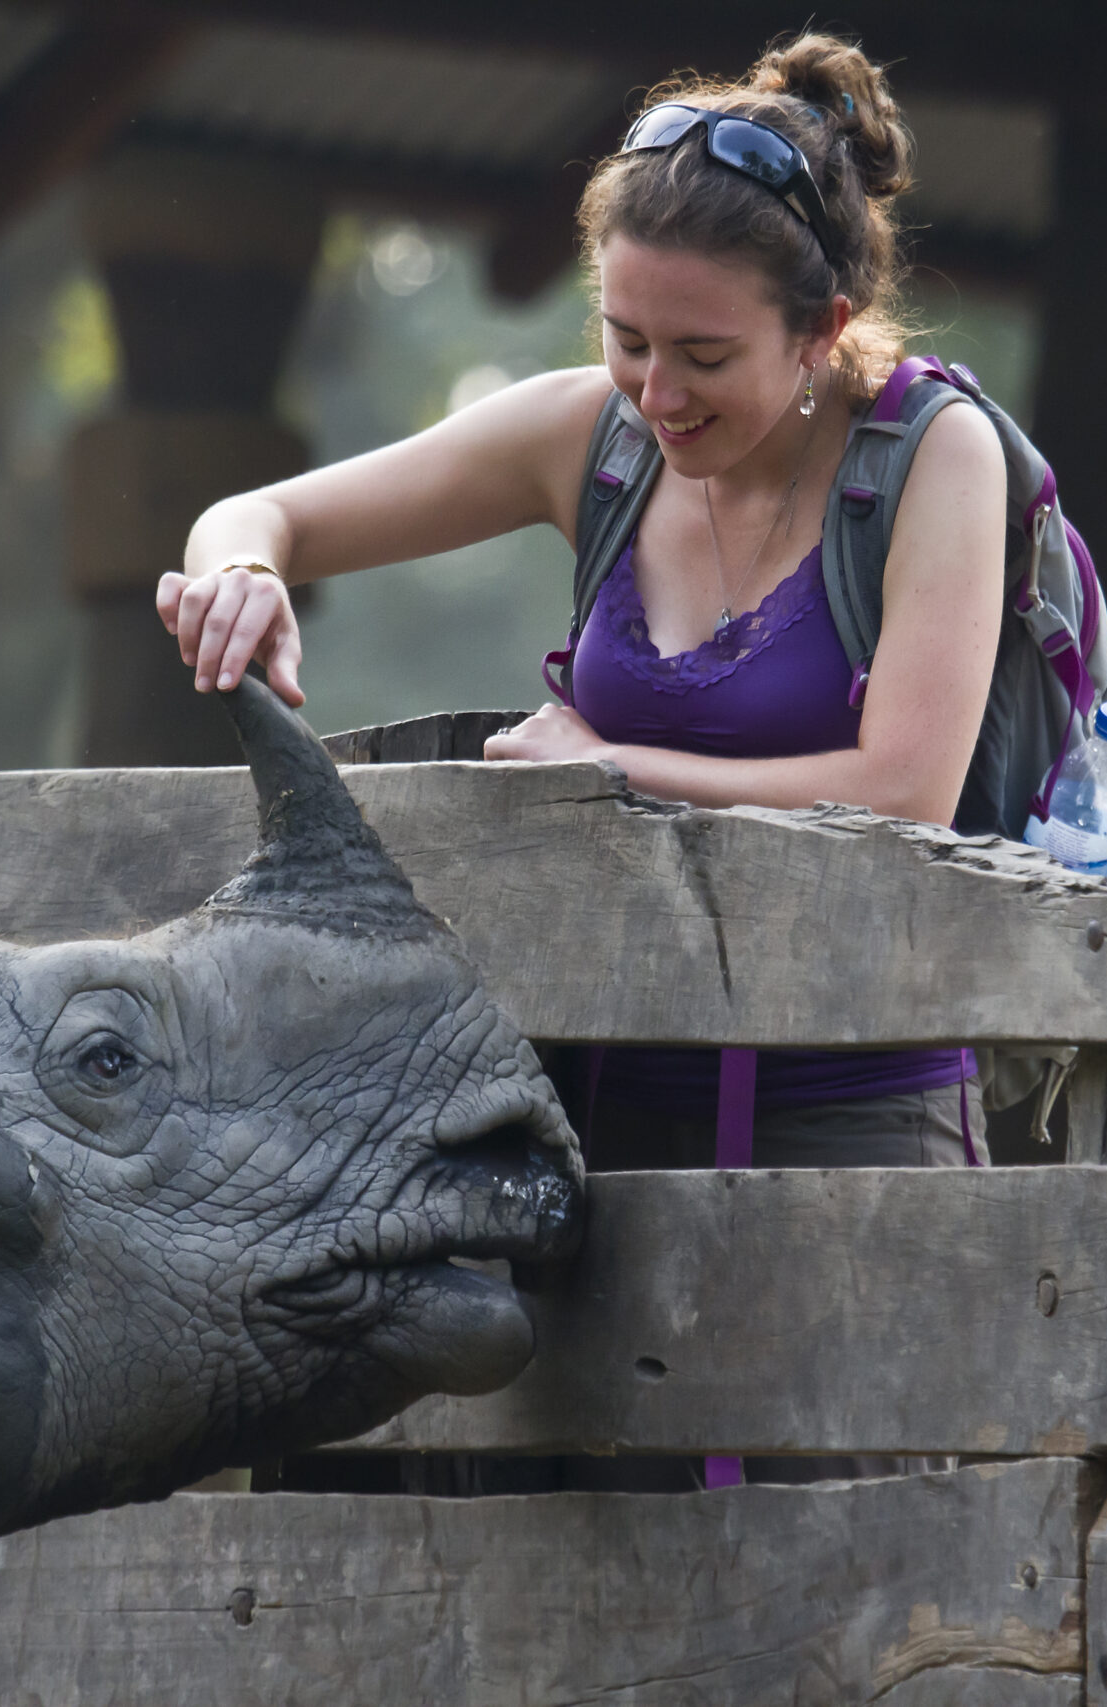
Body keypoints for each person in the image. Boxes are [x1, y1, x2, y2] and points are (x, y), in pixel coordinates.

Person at [159, 33, 1007, 1186]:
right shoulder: (588, 440)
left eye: (704, 354)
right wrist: (243, 576)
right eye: (626, 340)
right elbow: (257, 515)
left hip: (854, 1111)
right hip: (590, 1112)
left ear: (821, 328)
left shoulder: (935, 456)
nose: (657, 393)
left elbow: (905, 789)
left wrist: (611, 768)